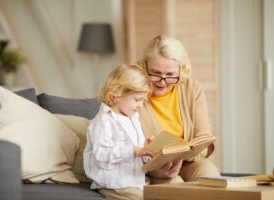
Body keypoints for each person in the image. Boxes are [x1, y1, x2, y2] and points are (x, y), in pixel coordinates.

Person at [136, 34, 220, 183]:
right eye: (155, 73)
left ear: (181, 70)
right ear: (144, 66)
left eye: (170, 75)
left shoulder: (192, 89)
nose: (162, 82)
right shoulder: (133, 90)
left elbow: (203, 137)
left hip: (188, 163)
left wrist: (182, 154)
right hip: (150, 167)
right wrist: (155, 168)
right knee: (174, 183)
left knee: (209, 173)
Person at [83, 64, 154, 200]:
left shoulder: (133, 117)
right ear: (116, 95)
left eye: (143, 101)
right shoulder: (103, 121)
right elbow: (101, 155)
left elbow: (137, 155)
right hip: (114, 183)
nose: (141, 105)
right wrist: (134, 151)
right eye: (137, 100)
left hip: (135, 181)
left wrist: (146, 148)